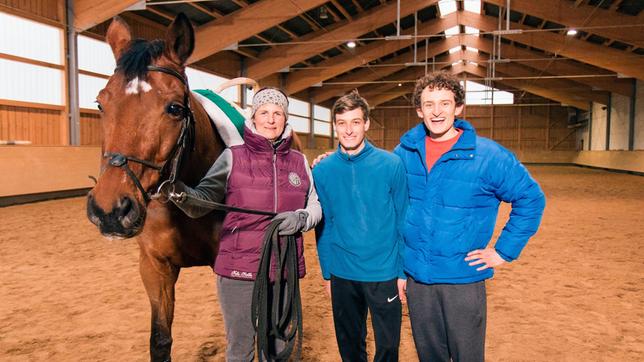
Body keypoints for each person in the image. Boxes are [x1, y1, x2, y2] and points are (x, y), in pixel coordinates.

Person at [393, 71, 546, 362]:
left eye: (445, 103)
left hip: (462, 280)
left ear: (458, 107)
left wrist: (503, 252)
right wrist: (333, 159)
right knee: (429, 355)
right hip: (417, 279)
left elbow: (531, 198)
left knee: (467, 357)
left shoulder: (488, 155)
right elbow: (382, 191)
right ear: (419, 110)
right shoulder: (404, 152)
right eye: (429, 104)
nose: (437, 111)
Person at [168, 87, 322, 361]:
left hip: (283, 269)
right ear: (254, 117)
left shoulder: (299, 162)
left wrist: (301, 219)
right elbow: (203, 199)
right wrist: (183, 195)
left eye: (277, 113)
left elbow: (315, 205)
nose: (271, 119)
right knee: (240, 348)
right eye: (264, 112)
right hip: (239, 272)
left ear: (285, 119)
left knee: (278, 347)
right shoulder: (232, 156)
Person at [312, 90, 408, 362]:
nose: (349, 130)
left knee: (388, 347)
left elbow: (403, 219)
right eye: (342, 123)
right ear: (334, 126)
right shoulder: (322, 170)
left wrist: (402, 272)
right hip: (343, 272)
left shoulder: (391, 164)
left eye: (355, 122)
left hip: (384, 272)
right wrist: (328, 273)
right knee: (350, 345)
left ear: (366, 124)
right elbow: (324, 225)